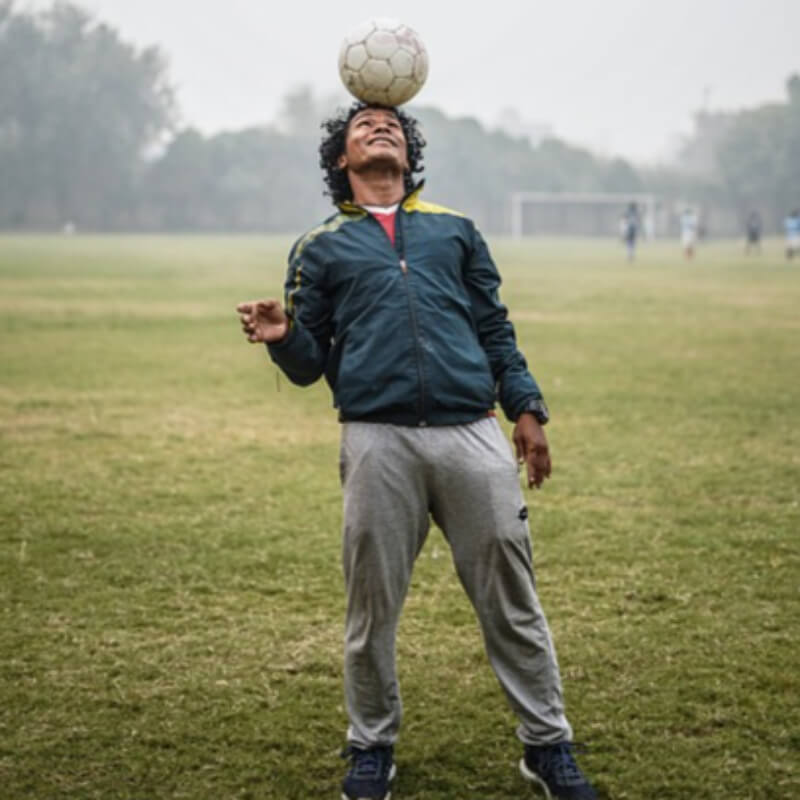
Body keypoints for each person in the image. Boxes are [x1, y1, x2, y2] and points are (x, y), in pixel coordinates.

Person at [236, 103, 597, 800]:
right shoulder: (321, 247)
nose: (381, 127)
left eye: (393, 124)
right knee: (371, 607)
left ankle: (547, 746)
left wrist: (526, 407)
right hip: (377, 439)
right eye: (363, 124)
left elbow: (494, 326)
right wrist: (283, 336)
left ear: (410, 152)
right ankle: (371, 748)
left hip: (473, 432)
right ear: (340, 159)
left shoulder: (455, 231)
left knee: (512, 598)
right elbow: (311, 365)